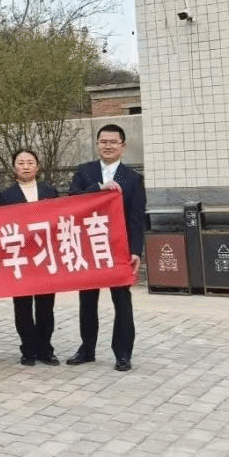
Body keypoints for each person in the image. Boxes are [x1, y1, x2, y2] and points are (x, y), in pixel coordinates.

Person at [66, 124, 146, 372]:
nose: (108, 146)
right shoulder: (85, 172)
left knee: (122, 301)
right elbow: (72, 200)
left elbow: (137, 217)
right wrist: (99, 188)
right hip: (89, 247)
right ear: (97, 144)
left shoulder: (133, 178)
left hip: (119, 249)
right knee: (87, 300)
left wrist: (136, 251)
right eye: (103, 141)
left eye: (113, 142)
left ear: (123, 146)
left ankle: (123, 354)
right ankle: (87, 349)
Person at [0, 149, 61, 367]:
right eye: (21, 163)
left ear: (37, 166)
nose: (25, 166)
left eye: (30, 162)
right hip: (20, 257)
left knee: (46, 306)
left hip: (45, 256)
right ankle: (28, 349)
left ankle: (45, 349)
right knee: (22, 306)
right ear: (14, 167)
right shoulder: (6, 196)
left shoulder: (50, 192)